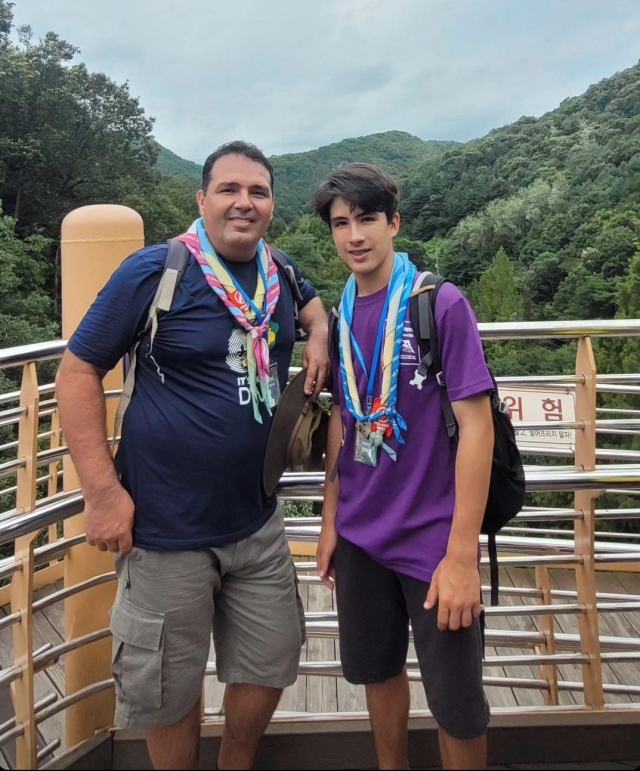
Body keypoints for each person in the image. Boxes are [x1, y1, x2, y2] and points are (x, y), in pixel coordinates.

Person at [56, 141, 329, 771]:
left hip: (256, 523)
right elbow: (76, 373)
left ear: (270, 206)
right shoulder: (155, 272)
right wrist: (101, 492)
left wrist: (317, 330)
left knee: (268, 663)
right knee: (167, 691)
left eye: (257, 192)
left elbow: (314, 304)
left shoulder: (280, 271)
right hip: (165, 528)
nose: (244, 202)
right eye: (229, 189)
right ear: (201, 200)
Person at [313, 163, 493, 771]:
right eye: (342, 223)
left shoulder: (439, 305)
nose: (355, 235)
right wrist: (330, 521)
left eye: (367, 219)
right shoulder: (339, 318)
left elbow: (477, 426)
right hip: (362, 535)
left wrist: (462, 553)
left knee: (456, 703)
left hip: (434, 540)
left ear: (393, 222)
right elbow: (343, 421)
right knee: (377, 675)